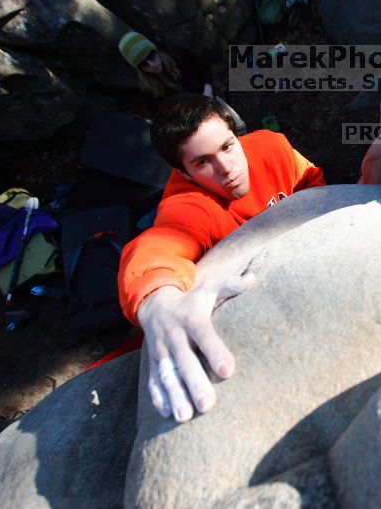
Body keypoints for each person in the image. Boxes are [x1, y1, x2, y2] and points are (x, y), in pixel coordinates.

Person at [117, 93, 325, 423]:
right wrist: (157, 300)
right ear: (184, 173)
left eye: (228, 146)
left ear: (236, 135)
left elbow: (311, 178)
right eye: (203, 162)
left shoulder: (273, 147)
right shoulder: (190, 205)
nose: (227, 169)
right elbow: (159, 245)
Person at [118, 31, 247, 134]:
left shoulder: (178, 55)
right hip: (196, 123)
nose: (152, 64)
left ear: (155, 50)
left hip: (211, 100)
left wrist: (207, 89)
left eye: (151, 56)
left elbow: (203, 68)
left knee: (239, 127)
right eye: (144, 64)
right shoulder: (149, 91)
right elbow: (160, 117)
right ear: (139, 69)